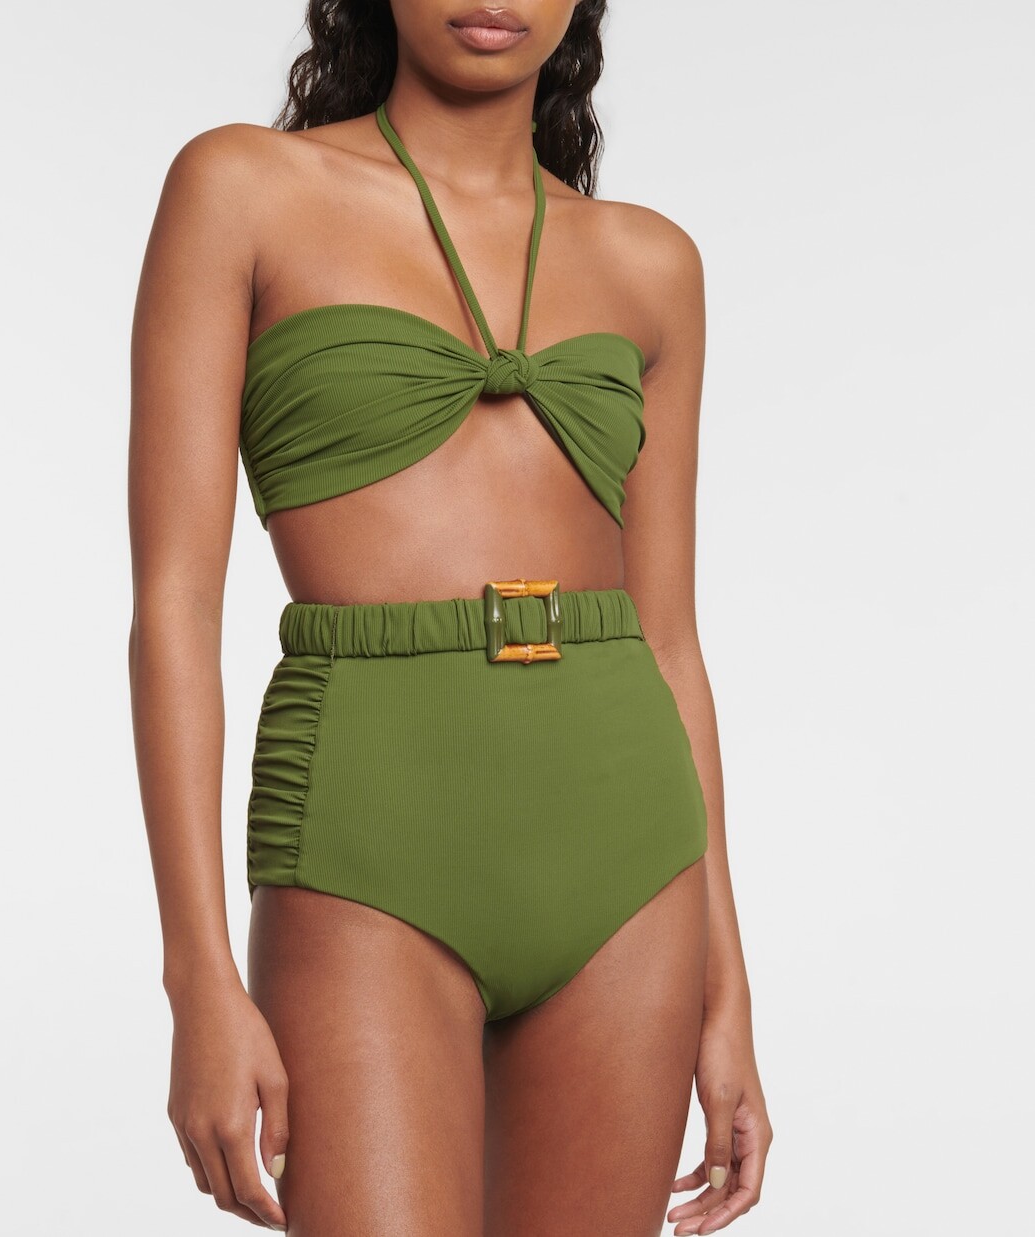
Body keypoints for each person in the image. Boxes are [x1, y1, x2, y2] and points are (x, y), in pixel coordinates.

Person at [128, 2, 772, 1233]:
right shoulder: (243, 189)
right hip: (366, 827)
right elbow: (173, 605)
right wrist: (196, 978)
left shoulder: (651, 263)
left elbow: (669, 643)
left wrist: (724, 991)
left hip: (628, 849)